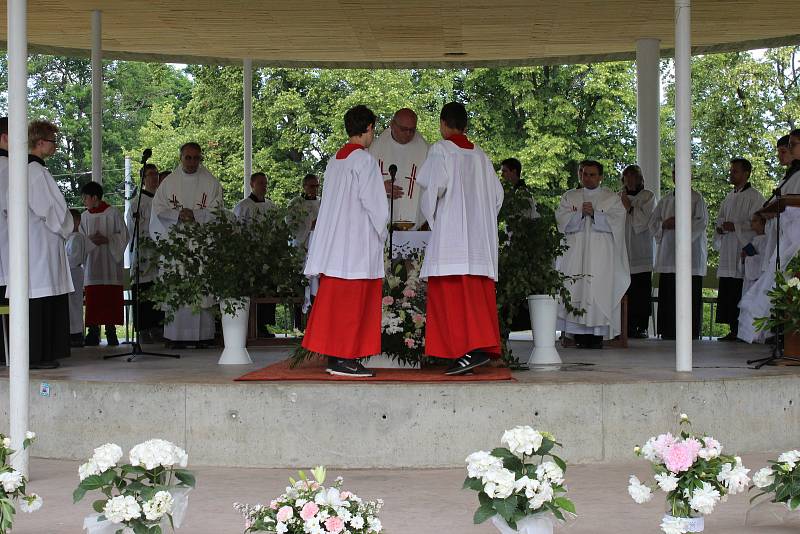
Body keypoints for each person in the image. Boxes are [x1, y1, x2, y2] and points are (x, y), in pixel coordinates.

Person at [417, 102, 504, 375]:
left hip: (452, 239)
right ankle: (474, 350)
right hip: (478, 242)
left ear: (443, 124)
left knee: (451, 297)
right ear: (465, 125)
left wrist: (433, 221)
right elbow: (498, 197)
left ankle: (464, 352)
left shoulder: (441, 150)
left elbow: (432, 191)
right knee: (475, 297)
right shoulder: (481, 156)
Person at [302, 105, 388, 377]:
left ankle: (336, 356)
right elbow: (375, 205)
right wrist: (382, 233)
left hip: (337, 242)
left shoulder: (335, 160)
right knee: (353, 304)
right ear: (369, 127)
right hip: (357, 243)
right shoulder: (364, 160)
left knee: (336, 304)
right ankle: (346, 358)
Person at [11, 120, 74, 368]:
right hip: (40, 244)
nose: (55, 147)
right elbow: (49, 208)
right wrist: (68, 226)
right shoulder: (35, 172)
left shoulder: (28, 169)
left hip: (39, 242)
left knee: (42, 295)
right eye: (52, 142)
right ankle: (37, 355)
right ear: (40, 143)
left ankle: (43, 353)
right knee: (40, 296)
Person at [150, 142, 223, 347]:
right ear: (180, 158)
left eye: (196, 158)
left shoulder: (211, 183)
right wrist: (177, 215)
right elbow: (158, 209)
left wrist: (197, 215)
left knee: (200, 288)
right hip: (177, 243)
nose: (192, 162)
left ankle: (203, 336)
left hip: (201, 244)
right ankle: (176, 336)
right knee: (177, 285)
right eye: (188, 157)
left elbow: (218, 210)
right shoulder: (168, 183)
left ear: (200, 158)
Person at [556, 160, 629, 349]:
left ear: (600, 177)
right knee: (575, 289)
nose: (587, 178)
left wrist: (596, 215)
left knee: (598, 289)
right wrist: (579, 214)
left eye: (592, 174)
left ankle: (598, 335)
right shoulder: (570, 196)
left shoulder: (611, 198)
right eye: (584, 174)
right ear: (580, 174)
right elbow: (561, 222)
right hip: (575, 253)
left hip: (601, 256)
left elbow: (618, 222)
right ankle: (571, 333)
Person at [649, 170, 709, 340]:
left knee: (689, 295)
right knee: (668, 294)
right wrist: (664, 225)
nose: (678, 176)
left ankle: (690, 332)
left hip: (690, 255)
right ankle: (668, 331)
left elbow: (701, 222)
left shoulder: (697, 198)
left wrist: (681, 224)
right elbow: (653, 223)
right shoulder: (666, 200)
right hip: (668, 254)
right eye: (675, 173)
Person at [712, 158, 765, 341]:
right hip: (728, 247)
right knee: (728, 287)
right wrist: (720, 228)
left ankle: (743, 329)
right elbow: (720, 218)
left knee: (740, 288)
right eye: (731, 170)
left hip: (742, 248)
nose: (731, 174)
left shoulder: (755, 197)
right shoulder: (729, 196)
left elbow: (758, 223)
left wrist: (735, 226)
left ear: (746, 173)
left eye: (735, 171)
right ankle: (732, 328)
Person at [79, 181, 128, 347]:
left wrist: (108, 239)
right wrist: (91, 240)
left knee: (109, 298)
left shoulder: (113, 212)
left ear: (95, 197)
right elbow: (81, 239)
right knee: (94, 299)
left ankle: (111, 332)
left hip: (110, 264)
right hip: (93, 264)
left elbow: (124, 235)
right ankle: (92, 332)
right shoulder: (84, 216)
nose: (83, 201)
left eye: (85, 198)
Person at [368, 108, 429, 229]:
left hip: (416, 222)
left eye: (412, 130)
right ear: (392, 125)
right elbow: (363, 186)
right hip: (381, 225)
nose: (408, 134)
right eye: (404, 129)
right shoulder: (373, 149)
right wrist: (380, 187)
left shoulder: (426, 150)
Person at [234, 172, 277, 337]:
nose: (264, 187)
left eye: (265, 184)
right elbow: (237, 231)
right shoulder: (243, 206)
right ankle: (250, 326)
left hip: (268, 256)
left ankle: (263, 326)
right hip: (250, 257)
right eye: (260, 183)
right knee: (252, 291)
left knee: (267, 291)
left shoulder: (271, 207)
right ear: (252, 184)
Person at [126, 162, 164, 343]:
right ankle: (142, 328)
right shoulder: (136, 203)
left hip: (161, 252)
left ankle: (158, 326)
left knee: (158, 289)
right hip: (143, 253)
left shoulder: (163, 200)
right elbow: (132, 228)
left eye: (156, 174)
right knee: (142, 290)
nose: (154, 178)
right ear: (143, 178)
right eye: (150, 174)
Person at [619, 164, 655, 339]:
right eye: (627, 177)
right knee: (624, 289)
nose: (630, 180)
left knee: (641, 291)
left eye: (634, 177)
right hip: (623, 250)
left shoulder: (647, 196)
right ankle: (624, 326)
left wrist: (630, 207)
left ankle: (641, 326)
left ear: (640, 179)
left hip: (641, 250)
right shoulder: (618, 197)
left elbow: (646, 222)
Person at [287, 173, 321, 329]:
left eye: (317, 186)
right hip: (302, 250)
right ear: (304, 186)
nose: (315, 189)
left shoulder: (323, 203)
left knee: (318, 287)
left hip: (319, 252)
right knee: (301, 286)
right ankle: (300, 325)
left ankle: (317, 323)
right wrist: (309, 225)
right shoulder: (295, 203)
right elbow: (291, 225)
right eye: (312, 186)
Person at [66, 209, 93, 347]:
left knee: (74, 304)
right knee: (70, 304)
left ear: (76, 221)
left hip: (74, 272)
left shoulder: (77, 237)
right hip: (70, 273)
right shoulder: (70, 237)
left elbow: (75, 258)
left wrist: (61, 260)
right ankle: (72, 332)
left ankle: (76, 334)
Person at [741, 212, 767, 297]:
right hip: (748, 283)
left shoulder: (766, 241)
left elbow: (763, 262)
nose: (751, 223)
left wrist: (748, 257)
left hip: (758, 283)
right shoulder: (753, 240)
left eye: (755, 220)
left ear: (763, 223)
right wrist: (743, 258)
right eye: (751, 220)